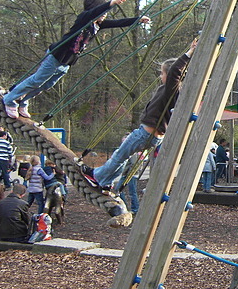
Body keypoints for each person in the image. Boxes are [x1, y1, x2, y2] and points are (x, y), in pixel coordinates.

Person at [2, 0, 150, 119]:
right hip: (56, 56)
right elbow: (97, 11)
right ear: (93, 10)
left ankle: (22, 100)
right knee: (37, 80)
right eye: (102, 12)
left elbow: (119, 22)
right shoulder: (84, 19)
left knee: (47, 85)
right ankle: (9, 99)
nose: (105, 15)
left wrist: (138, 20)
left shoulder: (98, 25)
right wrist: (111, 3)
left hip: (66, 62)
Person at [83, 40, 196, 190]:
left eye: (162, 73)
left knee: (119, 156)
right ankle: (106, 182)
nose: (160, 76)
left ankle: (97, 176)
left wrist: (189, 54)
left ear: (169, 75)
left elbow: (175, 70)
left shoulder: (172, 91)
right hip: (151, 136)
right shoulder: (170, 90)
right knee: (123, 157)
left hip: (145, 134)